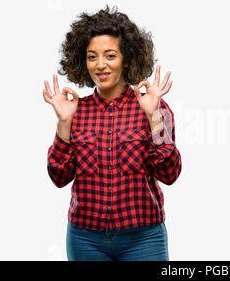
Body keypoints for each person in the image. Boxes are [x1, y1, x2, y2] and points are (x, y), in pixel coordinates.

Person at [43, 5, 182, 261]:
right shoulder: (75, 111)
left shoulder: (153, 106)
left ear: (126, 58)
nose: (100, 65)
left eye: (110, 55)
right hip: (85, 239)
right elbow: (59, 177)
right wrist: (64, 123)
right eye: (92, 56)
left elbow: (170, 173)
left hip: (144, 238)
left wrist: (153, 118)